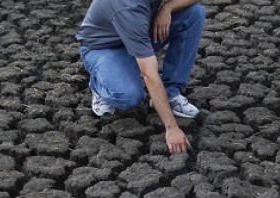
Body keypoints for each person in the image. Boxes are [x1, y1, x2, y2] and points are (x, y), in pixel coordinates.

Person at [76, 0, 205, 155]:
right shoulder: (127, 8)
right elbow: (149, 74)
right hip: (104, 47)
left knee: (194, 13)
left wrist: (167, 8)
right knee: (129, 96)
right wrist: (171, 128)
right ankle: (99, 83)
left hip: (139, 31)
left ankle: (171, 92)